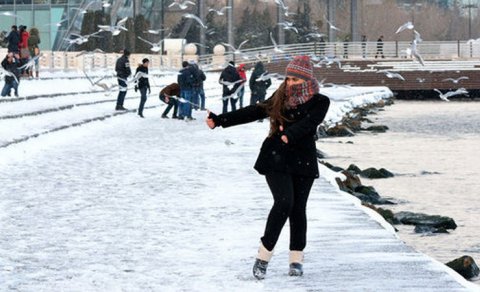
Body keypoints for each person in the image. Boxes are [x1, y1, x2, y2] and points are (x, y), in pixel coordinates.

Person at [206, 56, 330, 280]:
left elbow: (309, 123)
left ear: (306, 79)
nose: (290, 83)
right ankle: (263, 257)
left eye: (295, 79)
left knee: (298, 208)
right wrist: (221, 120)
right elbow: (255, 111)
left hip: (303, 159)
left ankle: (296, 260)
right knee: (284, 202)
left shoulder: (321, 101)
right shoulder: (280, 97)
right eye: (288, 78)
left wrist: (289, 135)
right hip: (276, 157)